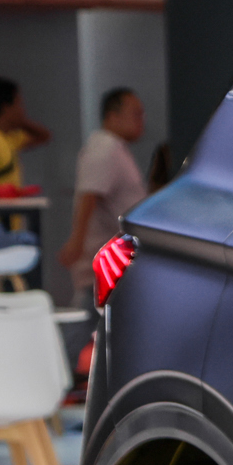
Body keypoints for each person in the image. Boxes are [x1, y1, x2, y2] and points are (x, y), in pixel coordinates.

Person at [60, 88, 148, 308]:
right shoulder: (104, 148)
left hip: (119, 265)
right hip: (104, 268)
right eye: (135, 114)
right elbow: (89, 194)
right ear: (113, 116)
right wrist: (77, 242)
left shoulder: (115, 148)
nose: (141, 120)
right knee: (93, 320)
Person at [0, 77, 51, 194]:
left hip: (10, 205)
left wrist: (22, 123)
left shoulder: (9, 136)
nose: (22, 110)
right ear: (5, 107)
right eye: (18, 104)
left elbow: (44, 136)